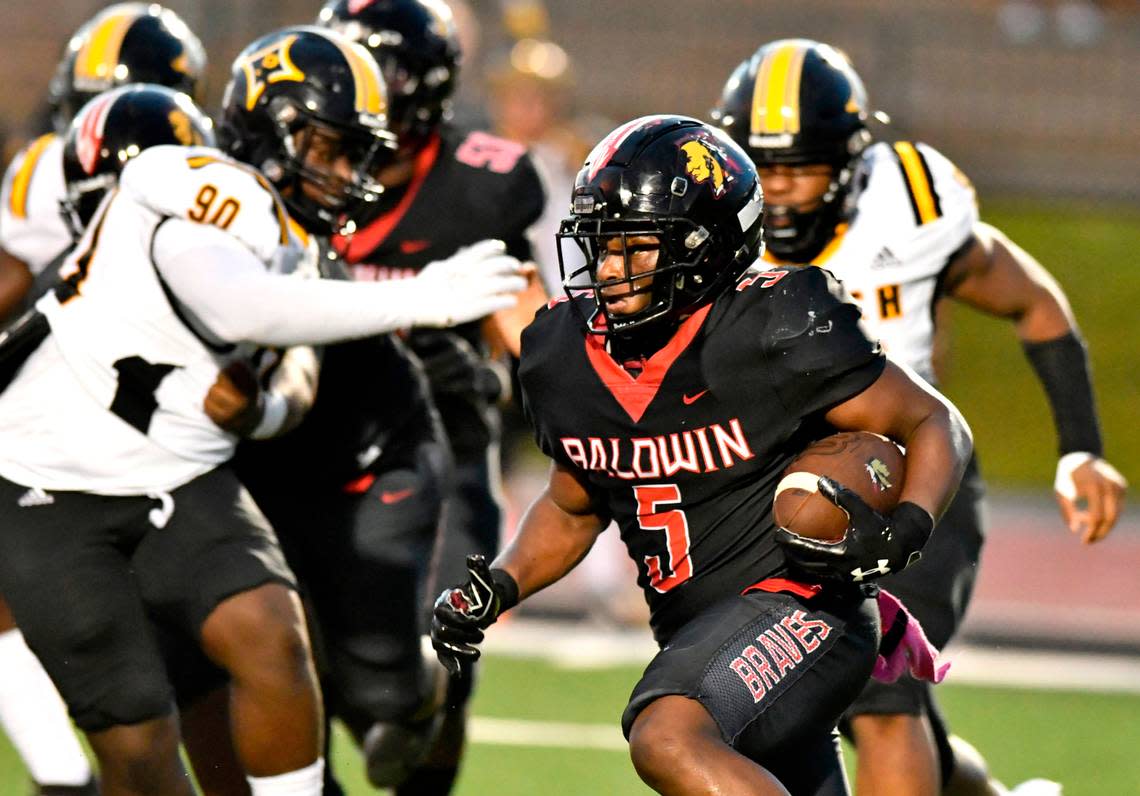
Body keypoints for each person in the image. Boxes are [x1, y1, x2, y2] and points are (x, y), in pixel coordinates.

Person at [0, 26, 525, 796]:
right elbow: (237, 303)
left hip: (182, 476)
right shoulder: (191, 180)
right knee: (140, 747)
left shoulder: (295, 243)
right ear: (273, 127)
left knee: (271, 640)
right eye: (333, 149)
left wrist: (260, 412)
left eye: (358, 155)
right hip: (53, 485)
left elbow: (292, 381)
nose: (349, 174)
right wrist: (422, 295)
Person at [430, 114, 974, 795]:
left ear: (708, 247)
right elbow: (573, 506)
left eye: (635, 247)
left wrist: (909, 527)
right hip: (706, 635)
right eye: (601, 245)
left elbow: (932, 420)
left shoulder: (774, 327)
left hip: (807, 610)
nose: (608, 268)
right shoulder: (562, 357)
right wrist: (502, 585)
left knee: (667, 733)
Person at [711, 38, 1127, 796]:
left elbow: (1032, 302)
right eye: (761, 167)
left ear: (850, 161)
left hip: (907, 472)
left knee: (882, 695)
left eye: (799, 168)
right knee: (823, 706)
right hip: (773, 487)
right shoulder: (712, 232)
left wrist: (1080, 449)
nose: (777, 193)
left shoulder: (906, 205)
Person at [317, 1, 548, 791]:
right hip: (308, 439)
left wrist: (585, 391)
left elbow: (525, 311)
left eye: (376, 69)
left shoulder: (478, 181)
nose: (353, 90)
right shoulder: (289, 168)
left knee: (451, 636)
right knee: (284, 647)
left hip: (441, 438)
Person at [0, 2, 208, 324]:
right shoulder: (48, 161)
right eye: (87, 108)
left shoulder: (42, 158)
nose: (95, 132)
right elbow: (17, 273)